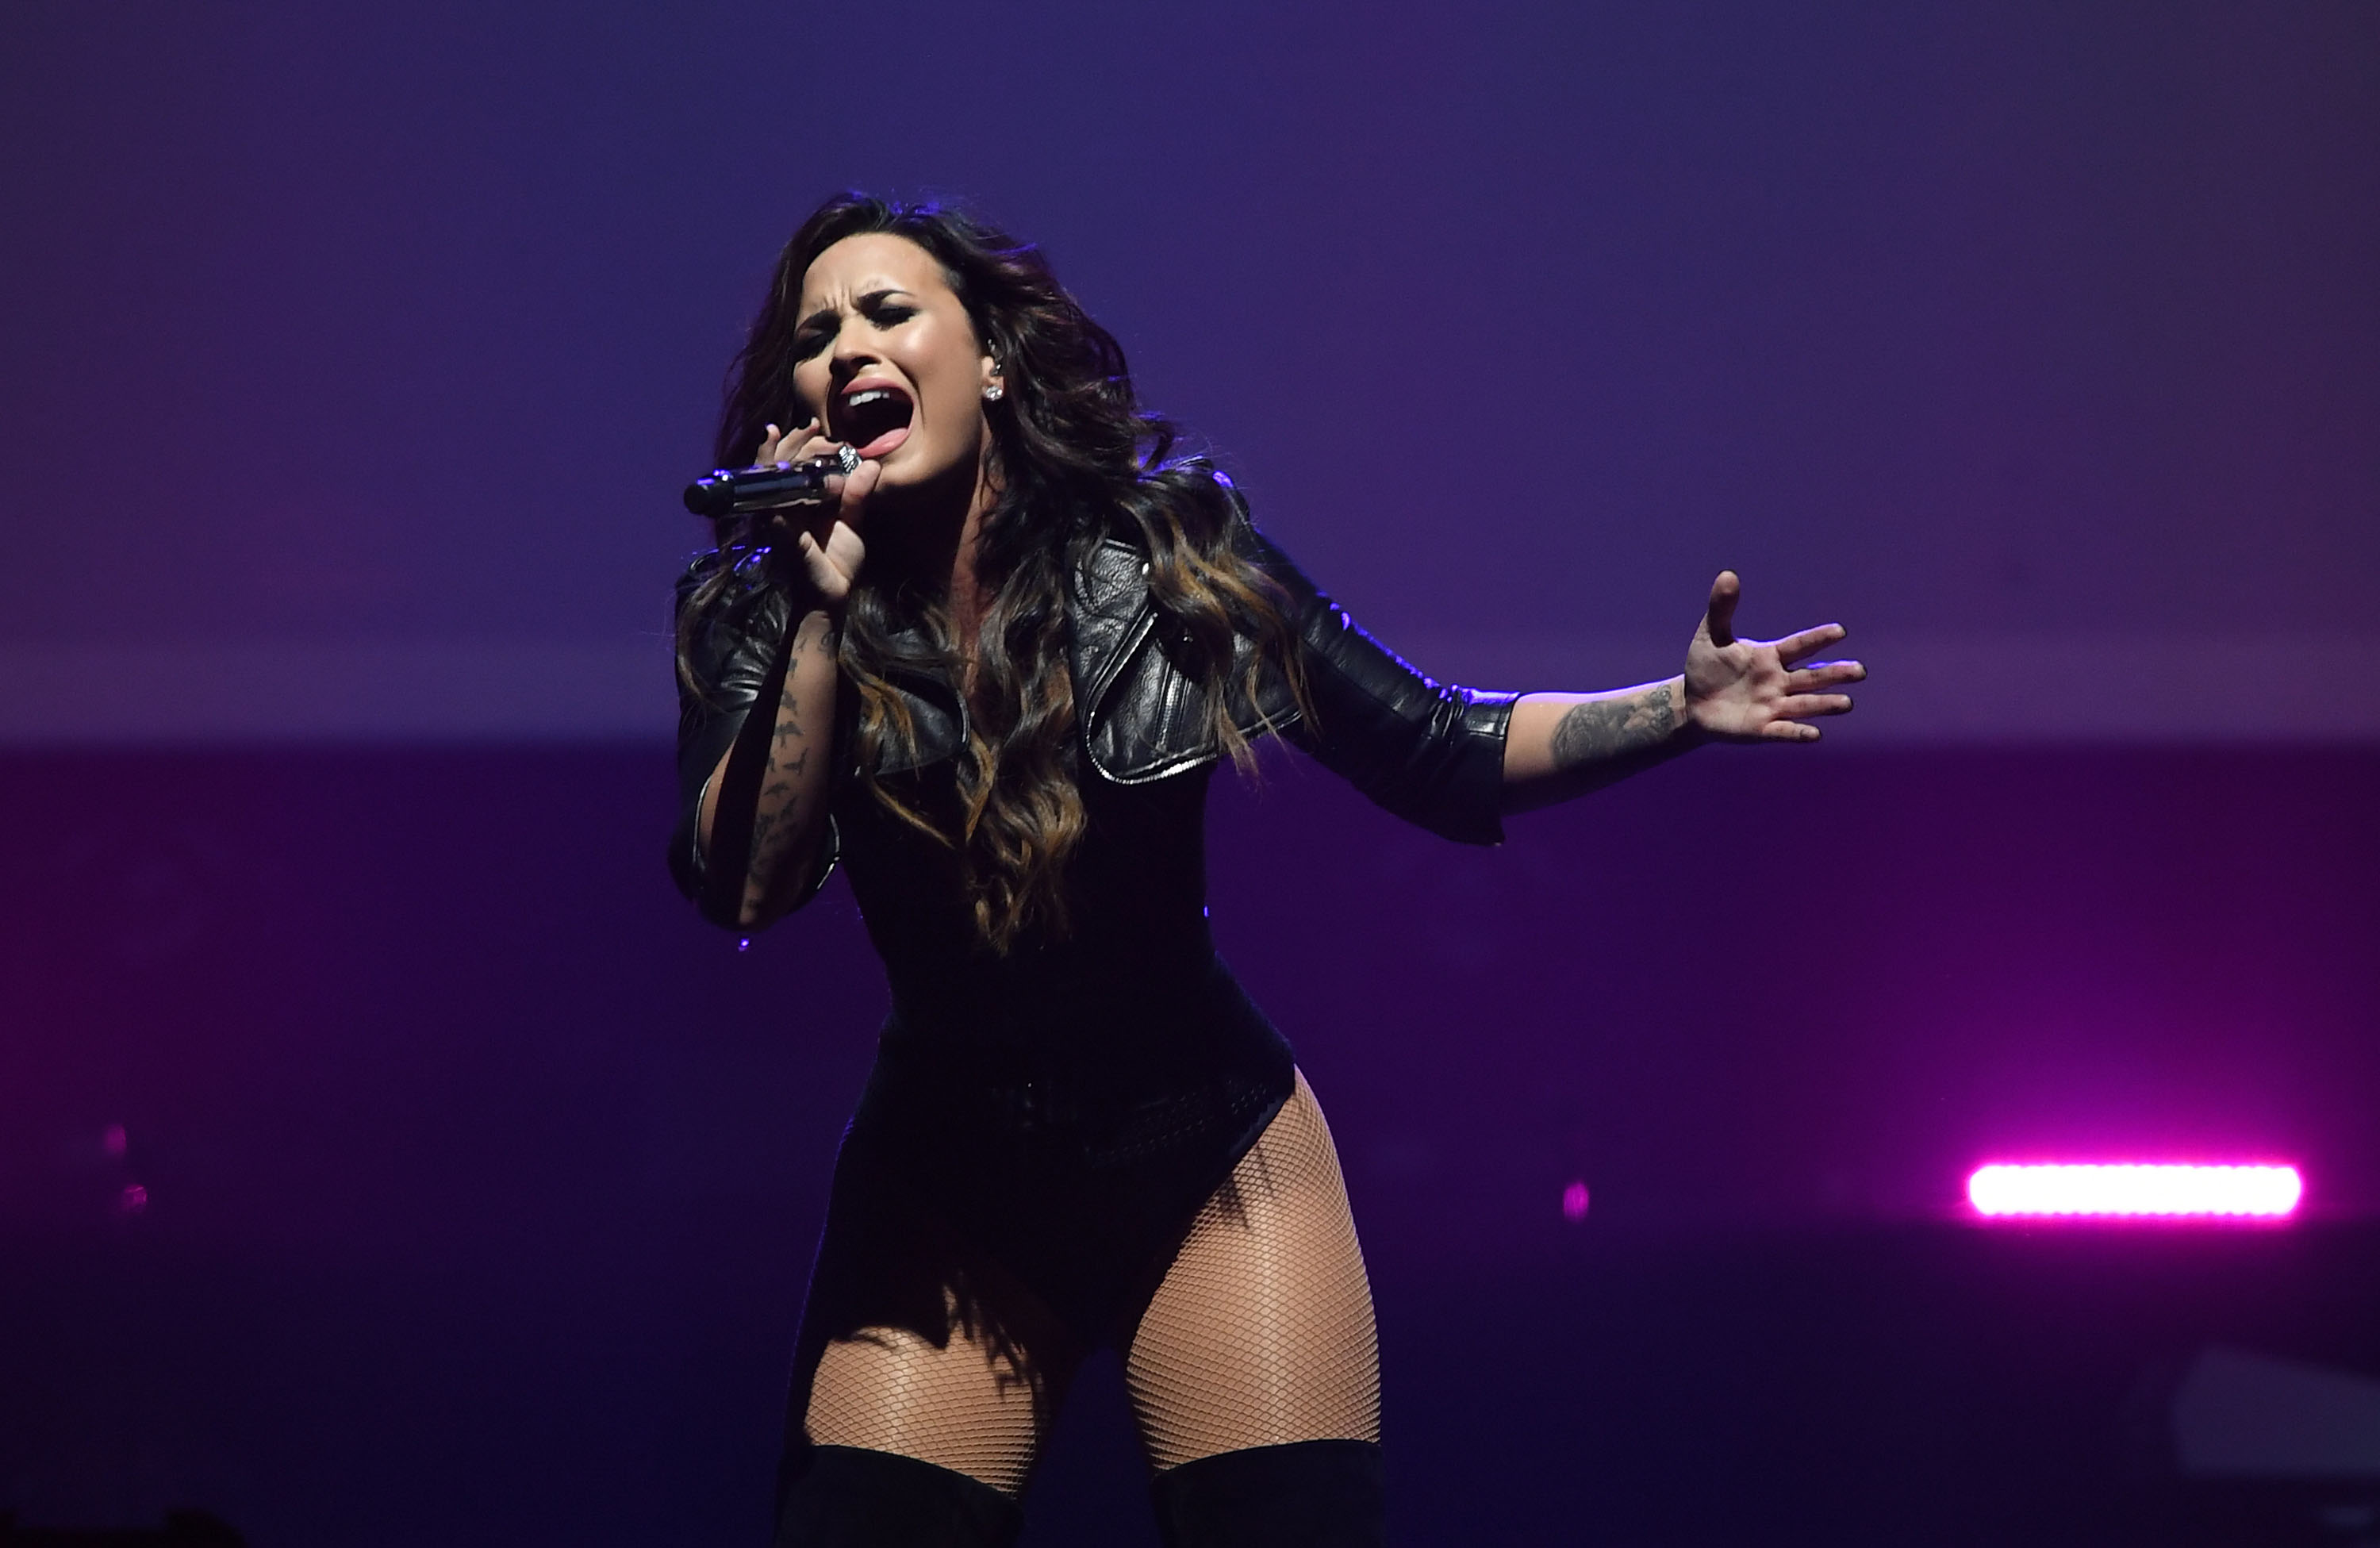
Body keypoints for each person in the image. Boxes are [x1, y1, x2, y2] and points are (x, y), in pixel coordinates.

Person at [670, 193, 1862, 1548]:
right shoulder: (763, 609)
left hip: (1207, 1153)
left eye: (889, 312)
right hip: (951, 1182)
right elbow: (745, 886)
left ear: (990, 361)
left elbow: (1439, 750)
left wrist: (1680, 709)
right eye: (815, 336)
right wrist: (817, 617)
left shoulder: (1166, 556)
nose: (847, 348)